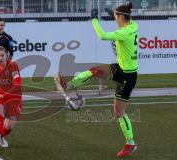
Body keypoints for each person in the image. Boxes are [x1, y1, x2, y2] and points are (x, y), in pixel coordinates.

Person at [54, 3, 138, 158]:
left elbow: (103, 36)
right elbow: (122, 21)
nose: (114, 19)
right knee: (95, 70)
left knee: (119, 112)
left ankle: (130, 143)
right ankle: (68, 85)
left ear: (120, 17)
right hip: (121, 68)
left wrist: (93, 20)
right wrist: (112, 12)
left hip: (128, 76)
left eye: (115, 17)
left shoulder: (125, 32)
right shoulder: (132, 24)